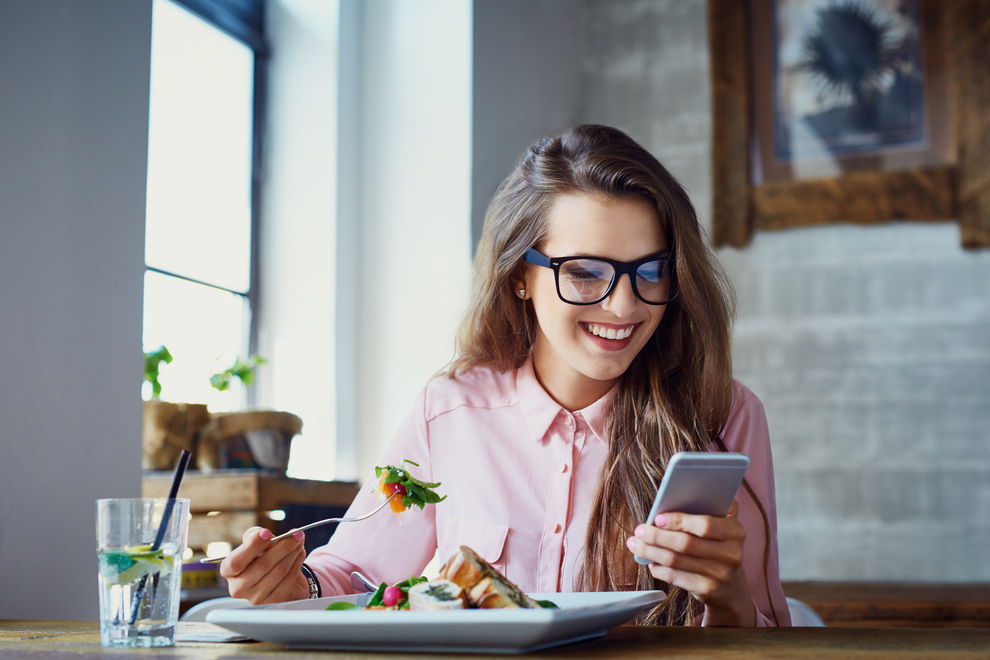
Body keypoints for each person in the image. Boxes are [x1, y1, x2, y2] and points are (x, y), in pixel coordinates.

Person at [220, 124, 790, 626]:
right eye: (585, 273)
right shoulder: (448, 411)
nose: (622, 307)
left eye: (651, 271)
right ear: (520, 275)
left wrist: (729, 596)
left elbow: (766, 631)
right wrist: (295, 587)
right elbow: (359, 578)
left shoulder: (726, 415)